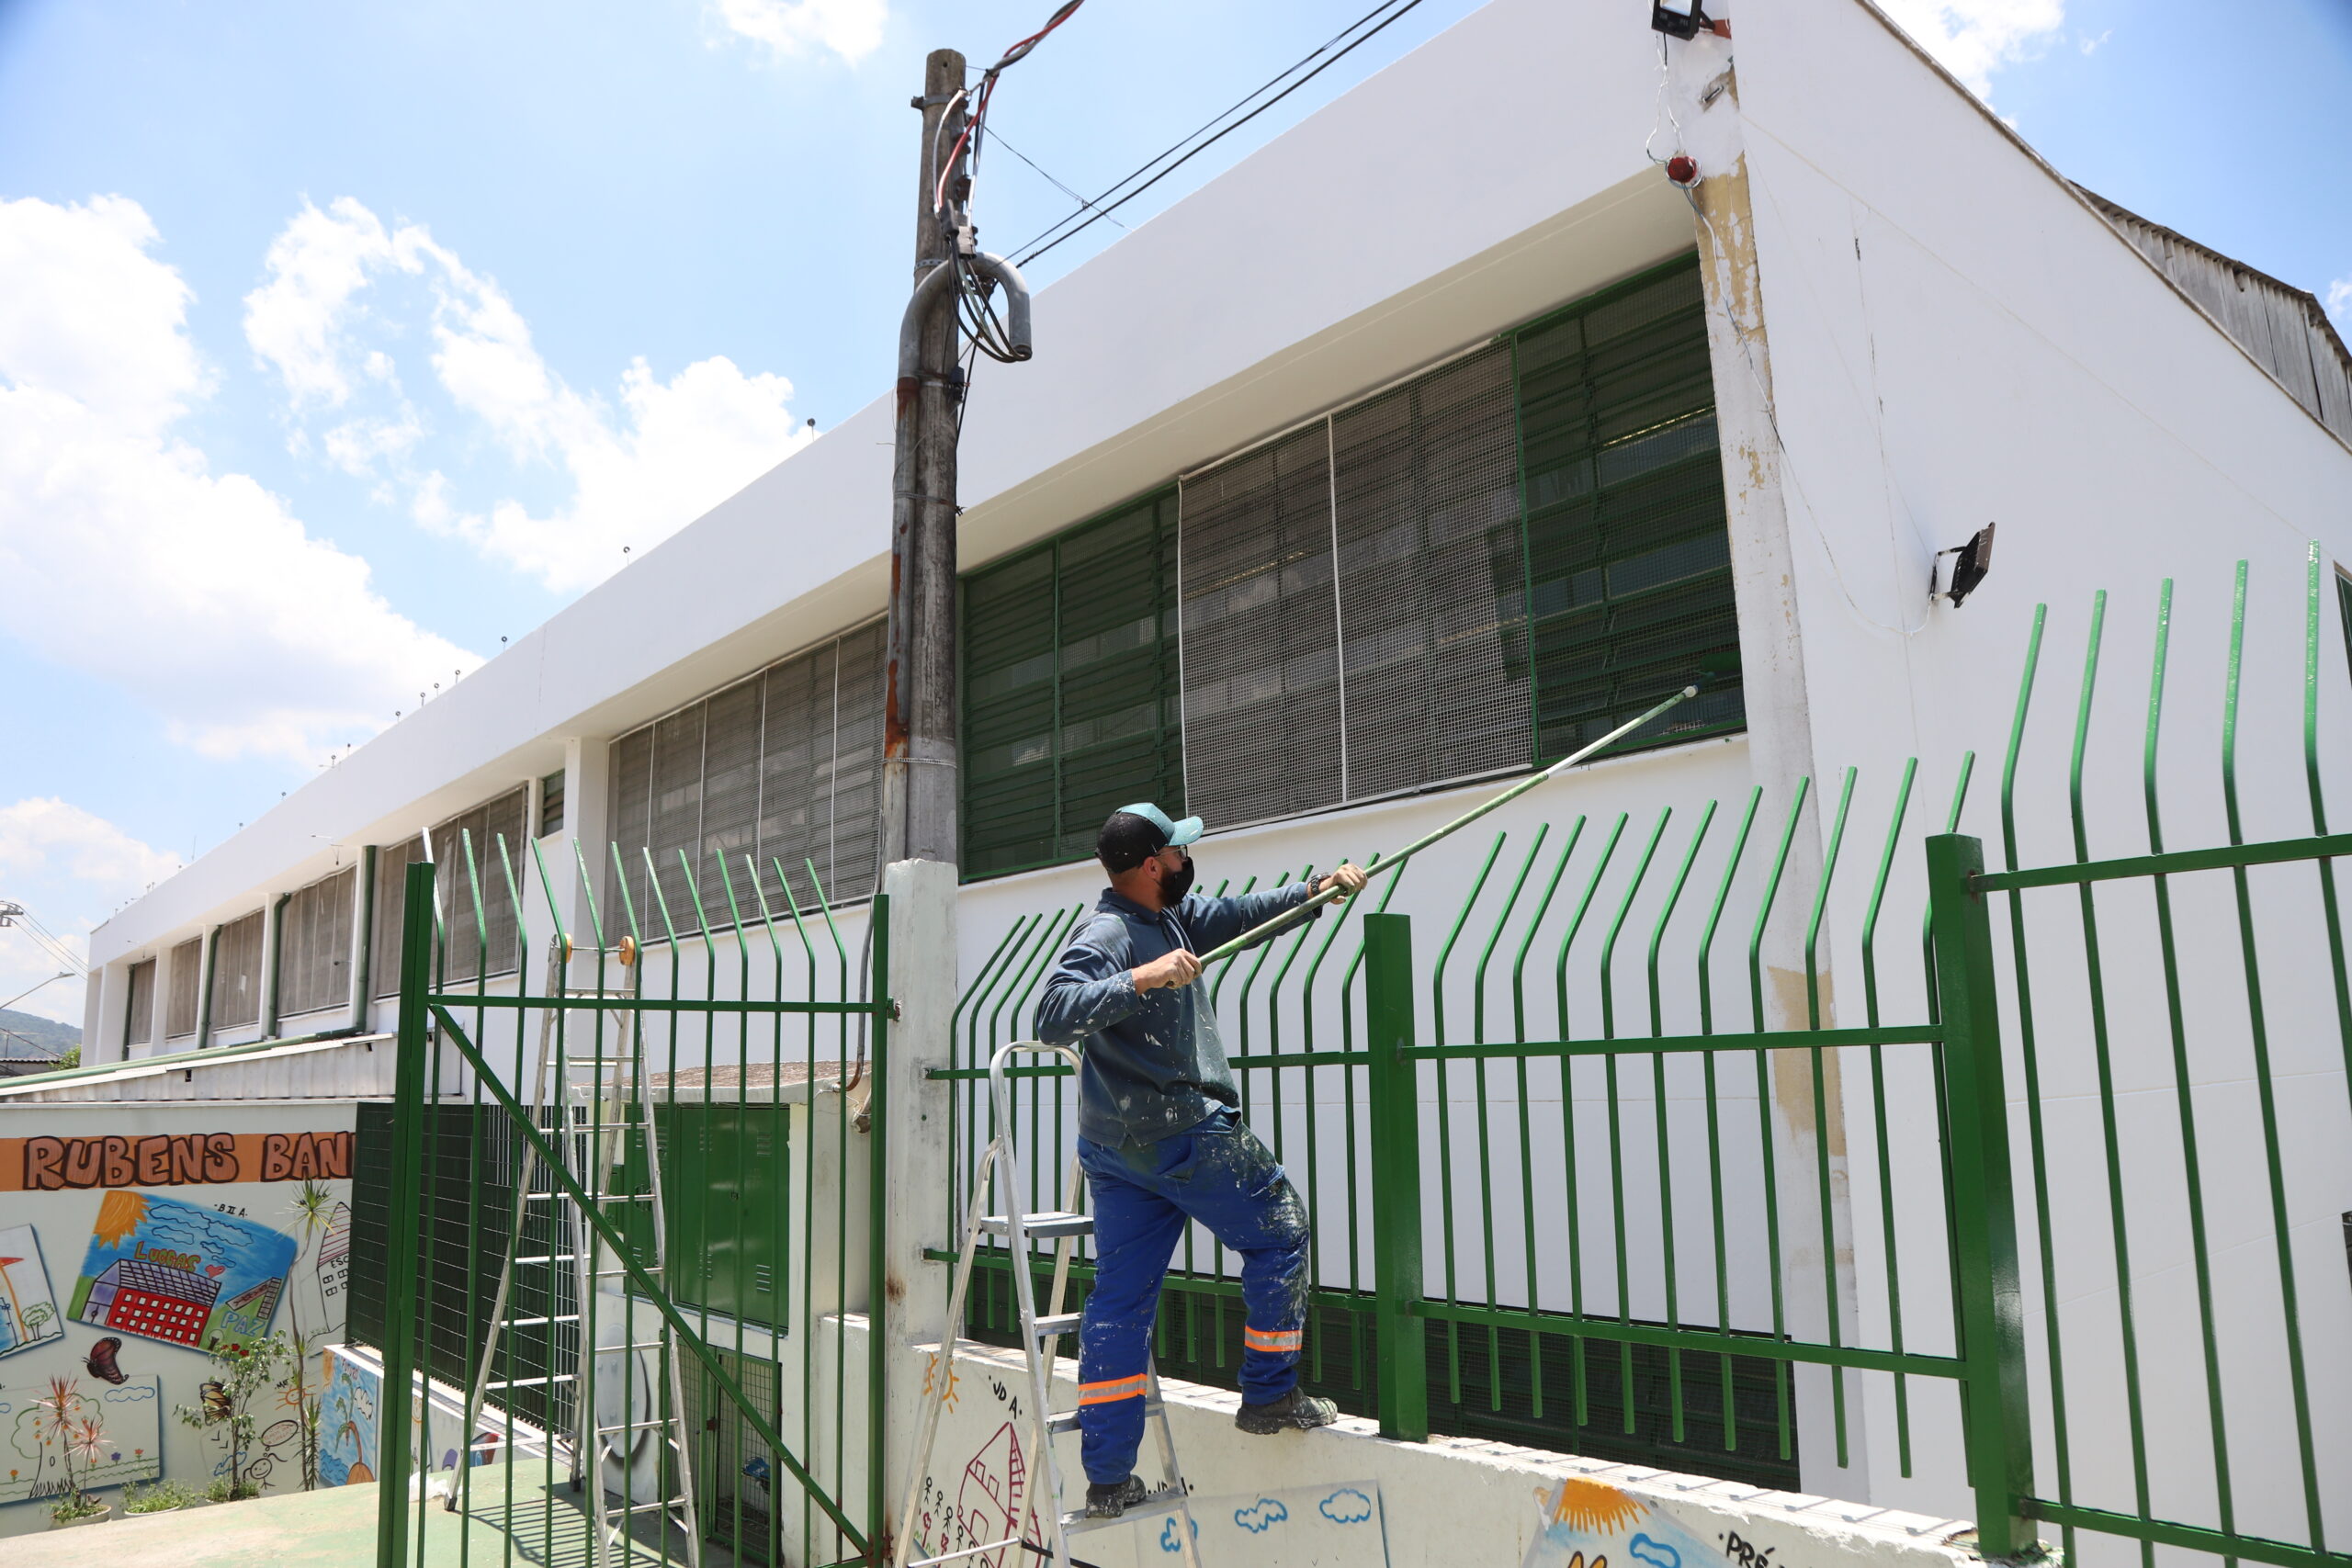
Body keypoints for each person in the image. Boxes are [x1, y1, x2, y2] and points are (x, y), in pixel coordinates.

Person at [1034, 803, 1368, 1518]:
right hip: (1179, 1132)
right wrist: (1144, 978)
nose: (1189, 860)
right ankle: (1270, 1391)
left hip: (1119, 1148)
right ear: (1153, 865)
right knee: (1280, 1229)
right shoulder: (1111, 931)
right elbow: (1051, 1012)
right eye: (1180, 852)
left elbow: (1241, 915)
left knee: (1119, 1305)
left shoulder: (1170, 917)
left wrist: (1314, 892)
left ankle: (1107, 1479)